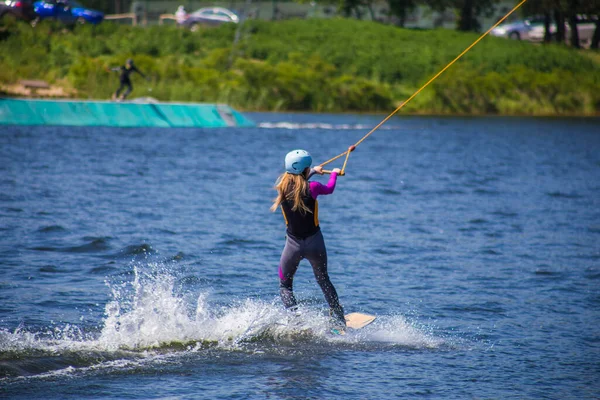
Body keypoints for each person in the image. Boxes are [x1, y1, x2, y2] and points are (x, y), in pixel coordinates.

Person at [270, 149, 346, 329]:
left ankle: (295, 320)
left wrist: (312, 171)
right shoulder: (313, 187)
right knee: (323, 279)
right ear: (305, 170)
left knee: (285, 286)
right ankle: (338, 317)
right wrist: (334, 173)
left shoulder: (282, 186)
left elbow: (297, 182)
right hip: (315, 244)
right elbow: (330, 188)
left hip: (293, 246)